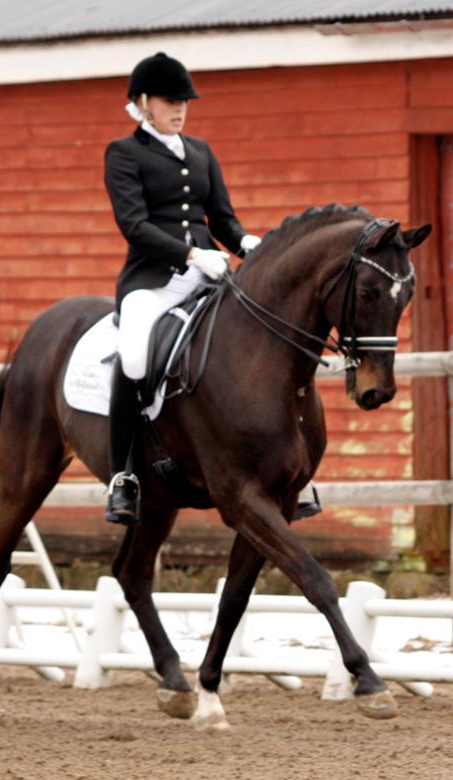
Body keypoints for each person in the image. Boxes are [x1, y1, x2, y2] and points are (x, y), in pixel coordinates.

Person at [102, 52, 261, 525]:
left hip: (211, 275)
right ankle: (122, 477)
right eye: (172, 101)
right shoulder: (123, 153)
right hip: (153, 281)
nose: (181, 109)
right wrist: (191, 255)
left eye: (185, 102)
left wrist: (245, 240)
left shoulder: (200, 150)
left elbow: (222, 218)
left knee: (263, 342)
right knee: (132, 355)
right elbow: (134, 225)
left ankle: (288, 469)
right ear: (144, 103)